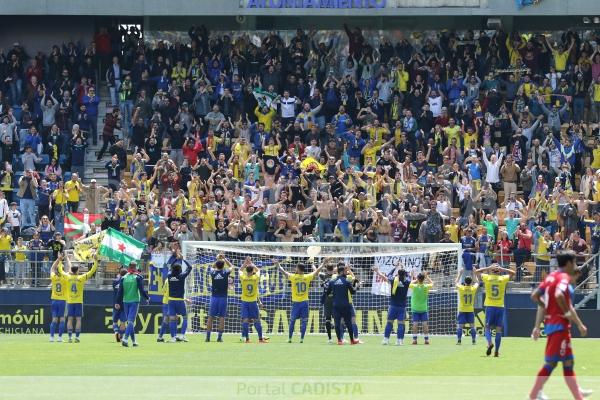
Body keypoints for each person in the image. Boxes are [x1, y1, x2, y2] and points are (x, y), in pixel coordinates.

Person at [528, 251, 592, 400]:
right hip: (559, 327)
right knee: (551, 363)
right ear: (569, 263)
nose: (575, 266)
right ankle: (533, 395)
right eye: (575, 262)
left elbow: (534, 296)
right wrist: (568, 314)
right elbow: (558, 295)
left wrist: (544, 315)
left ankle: (578, 396)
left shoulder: (551, 277)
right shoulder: (563, 278)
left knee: (568, 362)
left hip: (554, 325)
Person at [56, 253, 99, 342]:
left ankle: (70, 337)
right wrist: (95, 261)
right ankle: (77, 337)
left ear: (71, 269)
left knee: (70, 319)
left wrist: (60, 260)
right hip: (79, 301)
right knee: (78, 319)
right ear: (77, 270)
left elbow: (60, 270)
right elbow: (92, 271)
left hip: (70, 301)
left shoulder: (67, 277)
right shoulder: (81, 277)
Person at [278, 260, 323, 343]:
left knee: (292, 321)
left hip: (296, 302)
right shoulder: (307, 277)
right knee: (304, 321)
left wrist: (278, 265)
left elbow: (283, 272)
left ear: (298, 269)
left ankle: (290, 338)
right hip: (305, 302)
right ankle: (302, 339)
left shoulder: (293, 277)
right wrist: (323, 264)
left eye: (296, 267)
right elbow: (317, 272)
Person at [477, 263, 515, 357]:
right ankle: (496, 352)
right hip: (500, 307)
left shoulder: (487, 277)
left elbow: (476, 272)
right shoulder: (502, 279)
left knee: (487, 328)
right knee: (498, 330)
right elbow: (513, 272)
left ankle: (489, 343)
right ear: (499, 271)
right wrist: (502, 268)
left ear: (491, 270)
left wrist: (488, 267)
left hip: (490, 306)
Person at [373, 263, 411, 346]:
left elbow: (387, 275)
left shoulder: (394, 280)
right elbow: (409, 276)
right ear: (404, 275)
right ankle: (399, 341)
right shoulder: (407, 281)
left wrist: (395, 267)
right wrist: (403, 268)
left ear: (397, 274)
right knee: (401, 324)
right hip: (402, 307)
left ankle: (386, 339)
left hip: (393, 306)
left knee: (389, 322)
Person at [115, 262, 149, 347]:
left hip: (125, 301)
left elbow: (120, 292)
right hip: (134, 301)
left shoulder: (123, 278)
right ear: (136, 267)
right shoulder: (138, 277)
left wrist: (117, 302)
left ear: (129, 267)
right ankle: (125, 339)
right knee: (130, 321)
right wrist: (147, 298)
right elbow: (141, 290)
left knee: (130, 322)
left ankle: (134, 341)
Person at [326, 264, 361, 345]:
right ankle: (352, 340)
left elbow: (327, 293)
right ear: (342, 272)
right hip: (346, 305)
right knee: (348, 323)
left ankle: (339, 340)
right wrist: (357, 286)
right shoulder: (346, 281)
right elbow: (353, 292)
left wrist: (335, 293)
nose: (346, 273)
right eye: (345, 271)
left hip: (336, 305)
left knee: (337, 323)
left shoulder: (332, 282)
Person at [239, 256, 268, 343]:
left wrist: (245, 262)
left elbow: (240, 270)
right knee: (257, 320)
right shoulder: (255, 278)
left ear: (246, 271)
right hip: (253, 302)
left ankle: (247, 339)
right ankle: (260, 339)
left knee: (245, 320)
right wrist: (251, 263)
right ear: (252, 272)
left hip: (245, 301)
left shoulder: (243, 278)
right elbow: (258, 270)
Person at [166, 249, 193, 343]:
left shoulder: (169, 276)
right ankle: (182, 335)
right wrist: (183, 259)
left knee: (172, 319)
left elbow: (169, 266)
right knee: (185, 317)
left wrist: (176, 259)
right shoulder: (181, 276)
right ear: (180, 269)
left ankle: (173, 337)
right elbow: (190, 267)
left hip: (171, 300)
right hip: (180, 300)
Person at [206, 254, 234, 342]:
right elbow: (232, 266)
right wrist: (224, 258)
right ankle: (219, 337)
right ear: (223, 266)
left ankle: (208, 337)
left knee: (210, 317)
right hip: (223, 298)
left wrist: (218, 259)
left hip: (214, 298)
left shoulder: (213, 272)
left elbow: (211, 267)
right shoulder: (225, 272)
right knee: (222, 318)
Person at [455, 269, 479, 345]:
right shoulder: (473, 289)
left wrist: (460, 273)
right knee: (472, 326)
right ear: (471, 282)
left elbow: (456, 282)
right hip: (470, 310)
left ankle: (459, 341)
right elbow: (477, 282)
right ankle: (473, 340)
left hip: (462, 310)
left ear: (465, 282)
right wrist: (474, 274)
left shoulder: (461, 288)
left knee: (460, 327)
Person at [409, 272, 434, 345]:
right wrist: (427, 276)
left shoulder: (414, 286)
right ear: (423, 279)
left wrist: (416, 279)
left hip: (415, 309)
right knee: (425, 325)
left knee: (415, 324)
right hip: (423, 309)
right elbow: (432, 283)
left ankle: (414, 340)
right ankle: (426, 340)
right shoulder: (426, 286)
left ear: (418, 279)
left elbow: (409, 283)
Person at [49, 254, 69, 342]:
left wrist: (58, 259)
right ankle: (60, 338)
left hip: (54, 300)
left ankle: (51, 337)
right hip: (63, 301)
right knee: (62, 319)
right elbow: (69, 268)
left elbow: (52, 268)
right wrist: (67, 258)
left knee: (54, 319)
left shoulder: (53, 277)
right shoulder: (65, 278)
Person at [112, 268, 127, 342]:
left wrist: (118, 277)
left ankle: (116, 332)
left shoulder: (114, 281)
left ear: (120, 274)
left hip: (116, 304)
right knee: (123, 322)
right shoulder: (126, 282)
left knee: (114, 321)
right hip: (124, 304)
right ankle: (121, 337)